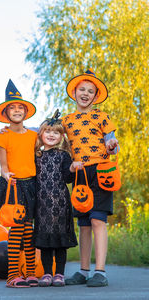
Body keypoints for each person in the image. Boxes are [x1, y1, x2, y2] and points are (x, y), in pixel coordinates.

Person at [62, 69, 120, 287]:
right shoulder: (67, 120)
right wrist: (17, 129)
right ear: (74, 92)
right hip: (80, 172)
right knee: (84, 223)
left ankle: (100, 271)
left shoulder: (101, 117)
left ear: (95, 97)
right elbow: (45, 132)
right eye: (82, 90)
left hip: (101, 170)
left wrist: (112, 146)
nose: (85, 94)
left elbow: (113, 143)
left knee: (98, 220)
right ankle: (84, 270)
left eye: (90, 91)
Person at [0, 79, 38, 288]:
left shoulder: (34, 135)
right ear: (6, 113)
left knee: (29, 231)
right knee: (16, 230)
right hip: (13, 186)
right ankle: (12, 276)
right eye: (13, 107)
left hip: (31, 186)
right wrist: (7, 175)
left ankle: (29, 273)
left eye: (21, 107)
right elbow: (2, 166)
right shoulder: (3, 136)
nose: (17, 110)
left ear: (26, 112)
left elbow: (51, 134)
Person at [33, 110, 84, 287]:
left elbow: (67, 179)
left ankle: (59, 274)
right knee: (46, 243)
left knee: (60, 243)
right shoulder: (37, 155)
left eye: (56, 132)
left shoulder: (63, 155)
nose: (52, 135)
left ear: (61, 136)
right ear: (41, 134)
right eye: (48, 131)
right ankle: (47, 273)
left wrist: (71, 168)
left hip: (60, 204)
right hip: (42, 206)